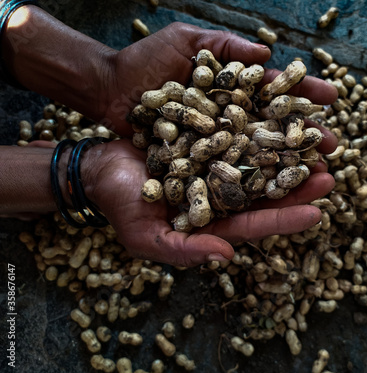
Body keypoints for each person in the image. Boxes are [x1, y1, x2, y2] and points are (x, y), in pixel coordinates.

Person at [0, 2, 338, 267]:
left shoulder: (234, 133)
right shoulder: (197, 129)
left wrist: (106, 79)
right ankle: (37, 181)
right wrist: (73, 175)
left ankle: (34, 180)